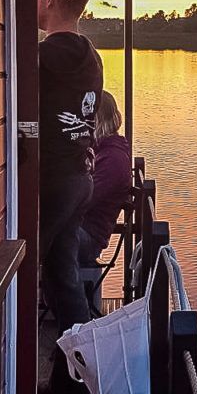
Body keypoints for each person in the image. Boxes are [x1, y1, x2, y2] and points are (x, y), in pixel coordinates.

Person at [38, 0, 103, 394]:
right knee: (63, 279)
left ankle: (20, 379)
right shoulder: (91, 56)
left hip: (53, 182)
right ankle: (75, 383)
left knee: (23, 274)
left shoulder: (42, 57)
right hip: (81, 177)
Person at [78, 90, 132, 266]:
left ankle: (70, 294)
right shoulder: (101, 151)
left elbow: (85, 200)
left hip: (88, 237)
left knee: (45, 235)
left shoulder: (113, 159)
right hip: (80, 230)